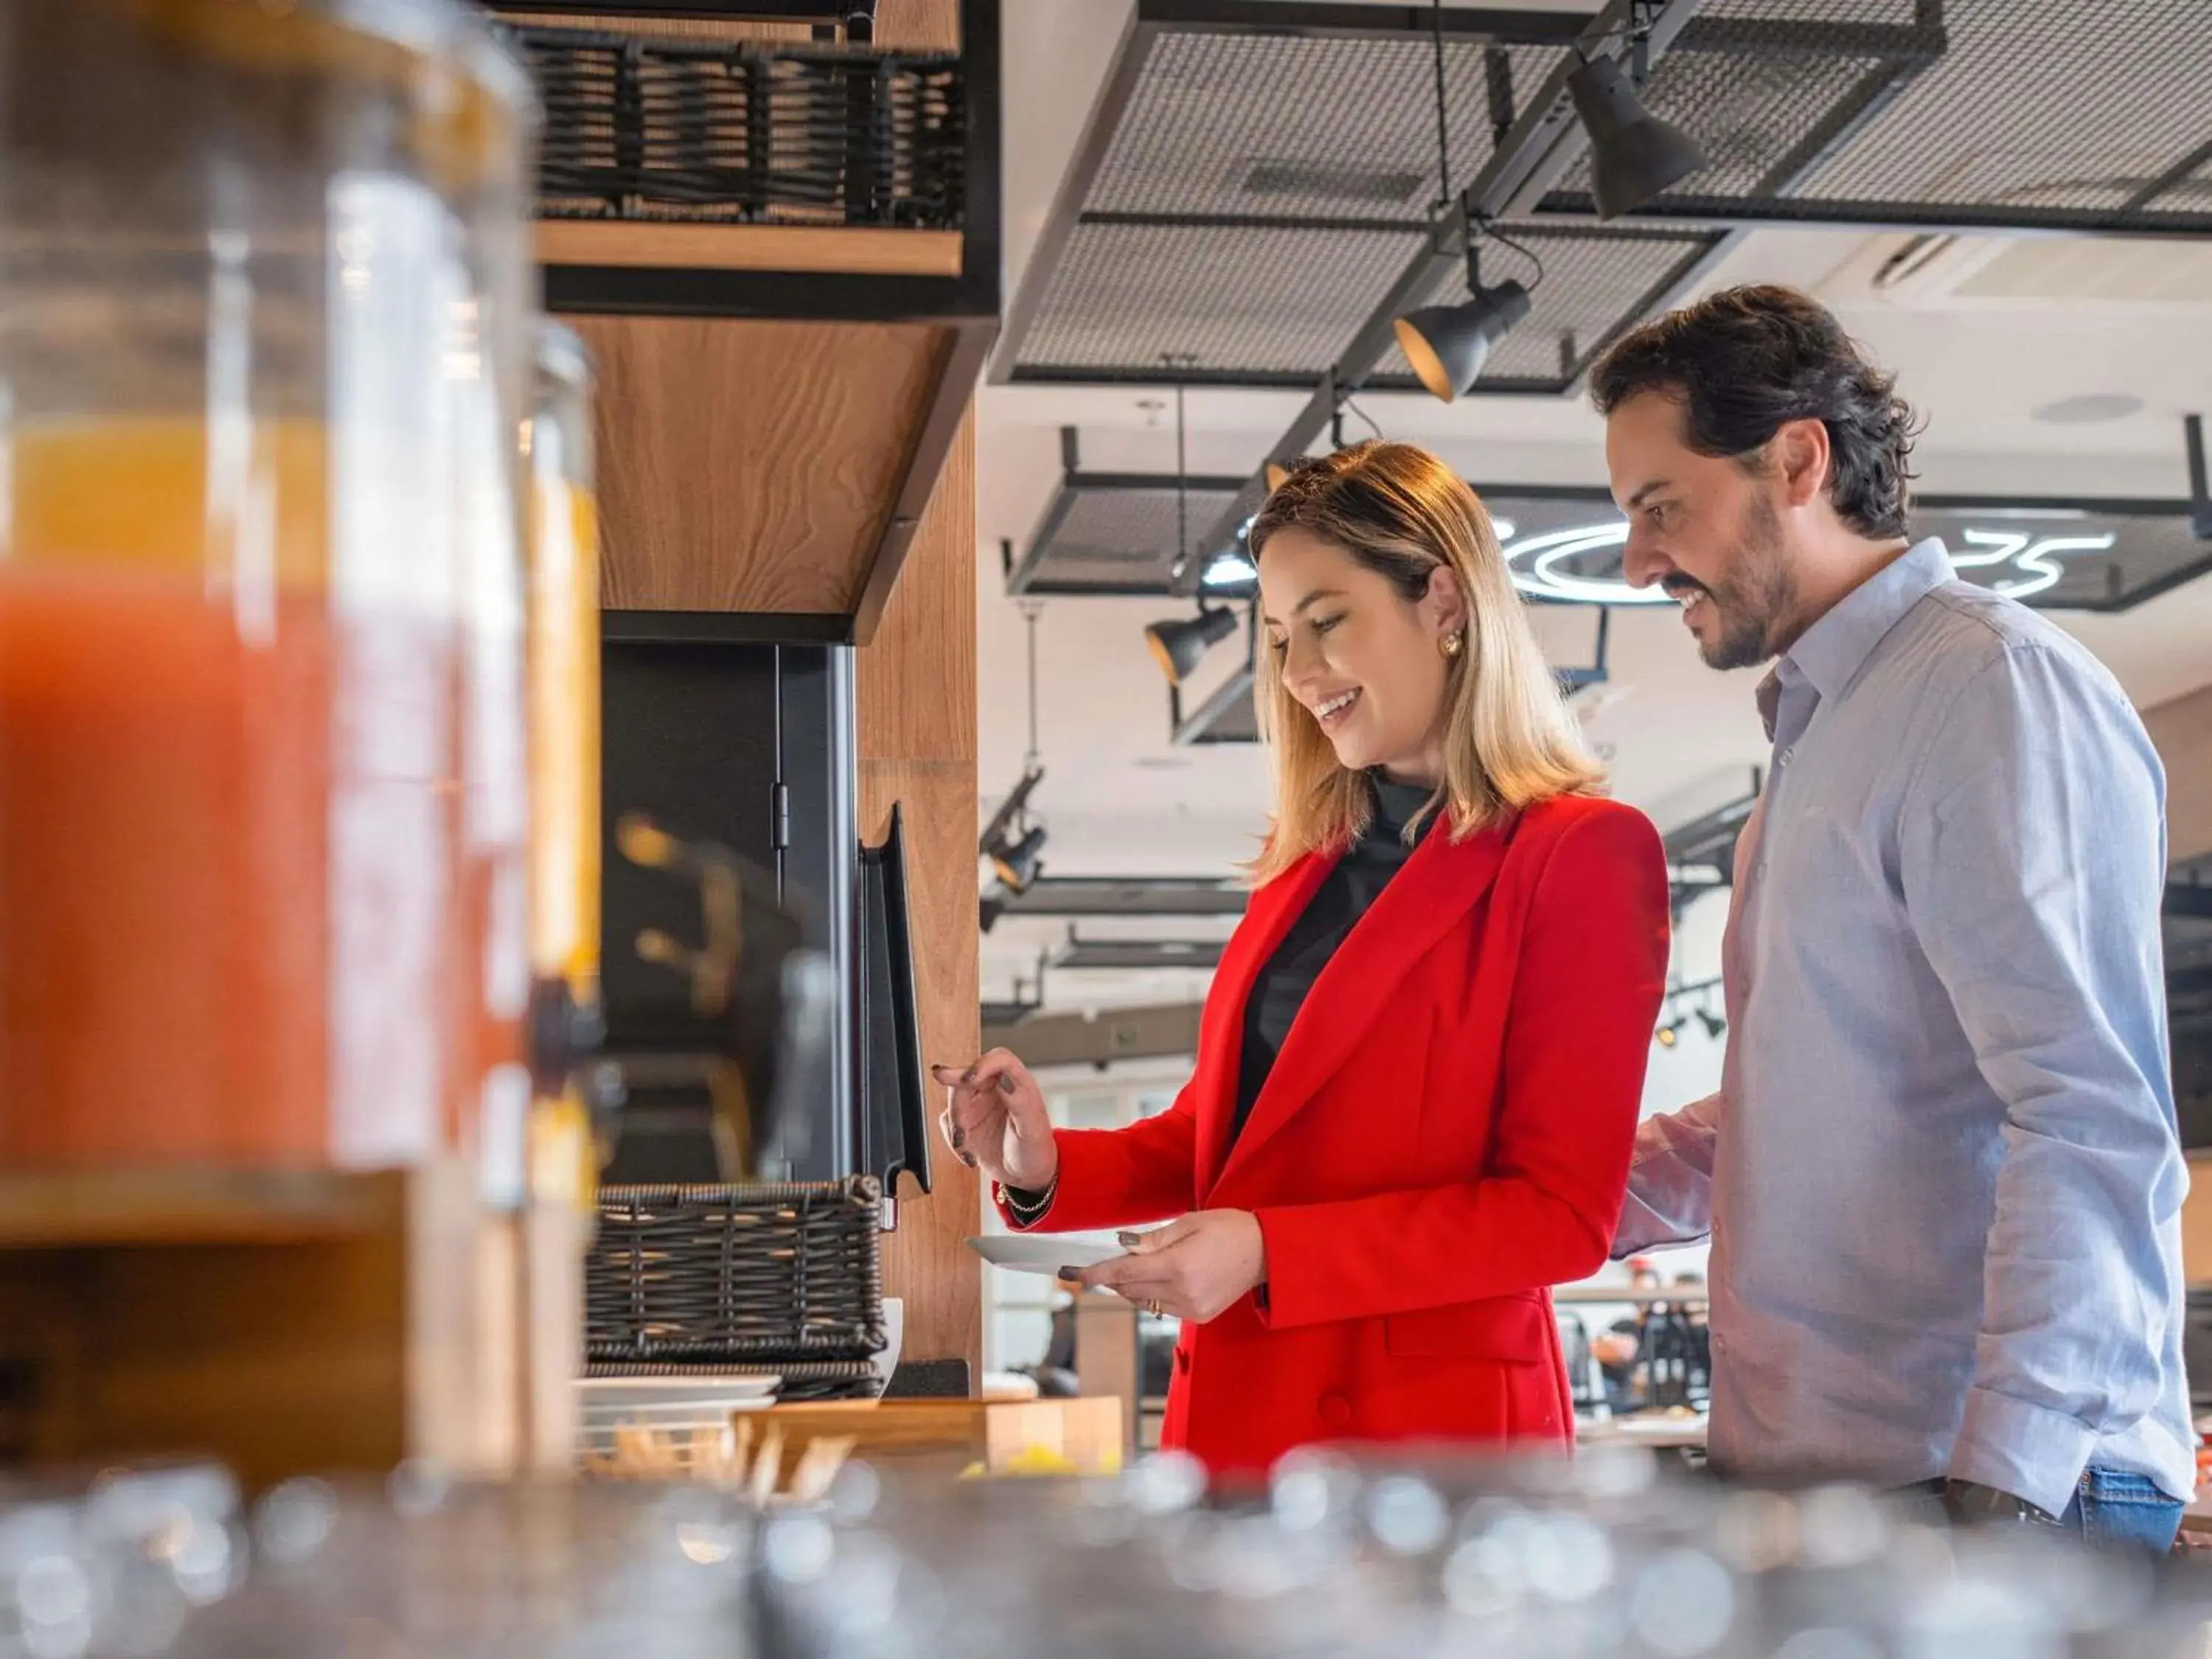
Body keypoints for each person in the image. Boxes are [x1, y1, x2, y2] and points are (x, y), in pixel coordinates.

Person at [937, 442, 1671, 1477]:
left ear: (1446, 603)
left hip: (1425, 1443)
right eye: (1280, 636)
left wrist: (1273, 1253)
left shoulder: (1579, 854)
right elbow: (1223, 1138)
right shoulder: (1303, 869)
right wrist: (1043, 1165)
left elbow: (1557, 1218)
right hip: (1244, 1409)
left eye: (1328, 622)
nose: (1296, 673)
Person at [1594, 285, 2191, 1548]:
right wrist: (1523, 1197)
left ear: (1797, 459)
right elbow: (1800, 1120)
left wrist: (2006, 1492)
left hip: (1983, 1496)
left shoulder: (1988, 689)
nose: (1640, 561)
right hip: (1851, 1494)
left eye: (1660, 507)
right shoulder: (1825, 730)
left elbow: (2085, 1112)